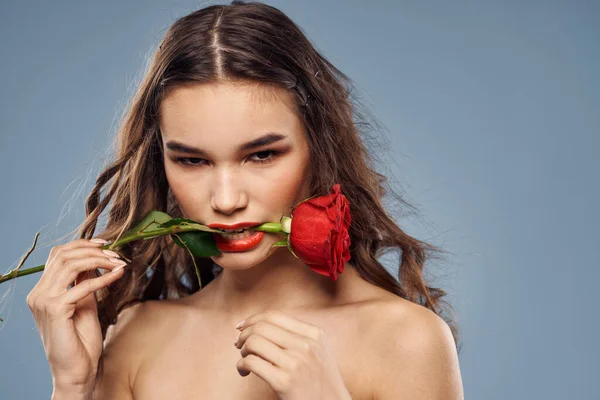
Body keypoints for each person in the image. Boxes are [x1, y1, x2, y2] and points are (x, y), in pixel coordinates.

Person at [26, 1, 464, 399]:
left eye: (262, 155)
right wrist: (71, 386)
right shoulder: (137, 335)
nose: (226, 199)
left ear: (318, 146)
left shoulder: (407, 340)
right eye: (193, 160)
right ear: (163, 163)